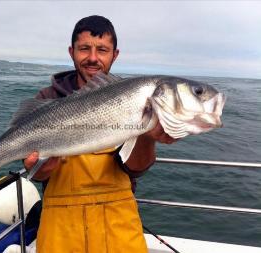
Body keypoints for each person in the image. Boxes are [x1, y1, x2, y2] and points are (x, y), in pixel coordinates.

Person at [24, 15, 175, 253]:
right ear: (71, 51)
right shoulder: (47, 99)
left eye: (102, 50)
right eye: (84, 48)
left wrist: (147, 136)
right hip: (60, 228)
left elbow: (135, 169)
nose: (93, 58)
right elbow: (37, 172)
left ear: (115, 55)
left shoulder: (132, 100)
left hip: (118, 224)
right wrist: (43, 167)